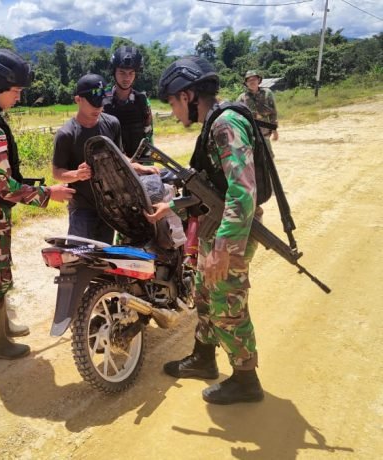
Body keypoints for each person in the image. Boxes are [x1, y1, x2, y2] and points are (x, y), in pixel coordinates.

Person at [145, 56, 264, 405]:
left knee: (227, 302)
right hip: (218, 225)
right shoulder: (213, 124)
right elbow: (209, 189)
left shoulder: (225, 124)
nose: (173, 112)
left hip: (234, 229)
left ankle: (246, 379)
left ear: (187, 96)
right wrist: (172, 206)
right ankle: (203, 358)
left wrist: (223, 249)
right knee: (204, 294)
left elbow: (243, 192)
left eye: (172, 103)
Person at [0, 48, 75, 361]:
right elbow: (6, 188)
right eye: (16, 90)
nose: (19, 97)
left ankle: (2, 326)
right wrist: (49, 194)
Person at [52, 74, 157, 244]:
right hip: (82, 208)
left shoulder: (112, 124)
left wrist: (139, 167)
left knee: (104, 254)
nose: (98, 108)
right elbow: (57, 172)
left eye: (101, 103)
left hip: (110, 207)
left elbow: (119, 157)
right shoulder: (66, 134)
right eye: (93, 104)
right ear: (78, 100)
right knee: (78, 255)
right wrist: (76, 174)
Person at [103, 46, 154, 159]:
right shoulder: (103, 100)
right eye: (122, 72)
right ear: (114, 72)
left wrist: (147, 164)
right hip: (111, 163)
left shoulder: (142, 101)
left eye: (131, 73)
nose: (127, 78)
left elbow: (148, 135)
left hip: (139, 162)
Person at [237, 70, 278, 157]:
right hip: (249, 133)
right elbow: (236, 116)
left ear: (258, 80)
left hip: (264, 132)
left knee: (268, 156)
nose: (252, 82)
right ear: (246, 83)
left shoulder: (267, 93)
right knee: (252, 157)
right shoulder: (242, 97)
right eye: (249, 80)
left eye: (254, 79)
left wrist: (274, 130)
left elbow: (273, 113)